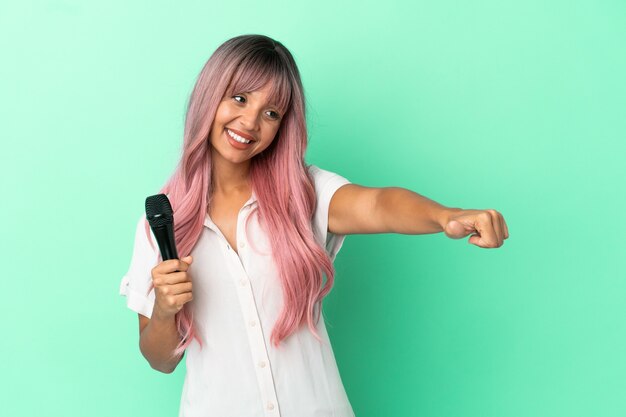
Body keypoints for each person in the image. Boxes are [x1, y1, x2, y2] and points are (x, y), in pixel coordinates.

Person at [119, 34, 509, 417]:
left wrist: (446, 216)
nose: (250, 122)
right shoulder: (160, 223)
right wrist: (166, 311)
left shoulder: (305, 194)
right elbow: (160, 360)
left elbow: (378, 203)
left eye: (271, 113)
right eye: (239, 98)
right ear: (210, 96)